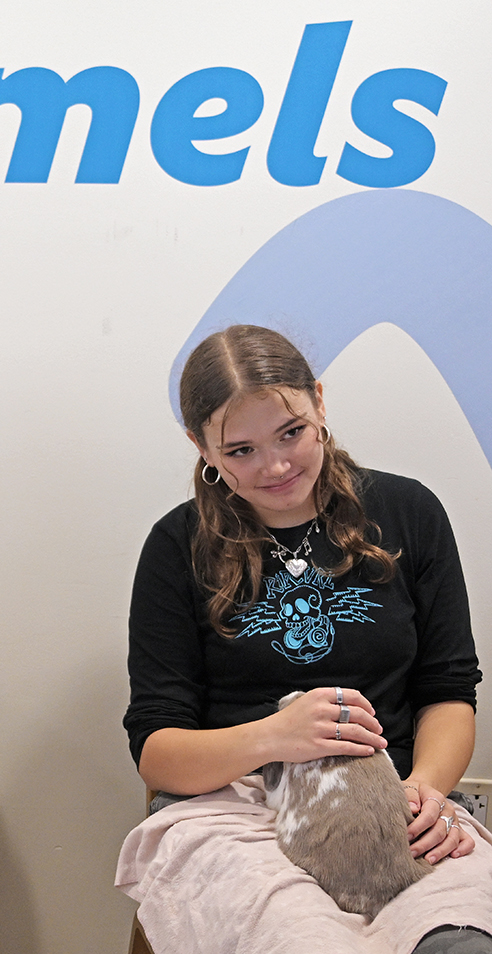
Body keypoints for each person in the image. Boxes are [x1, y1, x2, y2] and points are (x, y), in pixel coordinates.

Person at [118, 324, 492, 954]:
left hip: (395, 794)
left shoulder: (410, 512)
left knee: (458, 943)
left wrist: (427, 790)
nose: (276, 465)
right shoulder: (174, 547)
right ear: (199, 446)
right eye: (239, 451)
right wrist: (275, 737)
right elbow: (157, 750)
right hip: (233, 813)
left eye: (291, 432)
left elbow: (448, 691)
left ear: (319, 402)